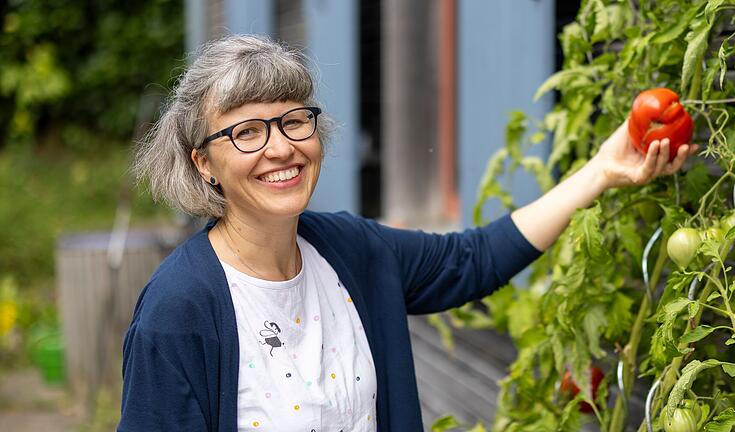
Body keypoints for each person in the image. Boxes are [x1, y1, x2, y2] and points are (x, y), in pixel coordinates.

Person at [117, 35, 697, 432]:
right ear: (203, 163)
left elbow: (472, 261)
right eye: (247, 131)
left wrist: (601, 169)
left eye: (294, 119)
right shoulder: (180, 309)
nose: (281, 147)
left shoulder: (351, 252)